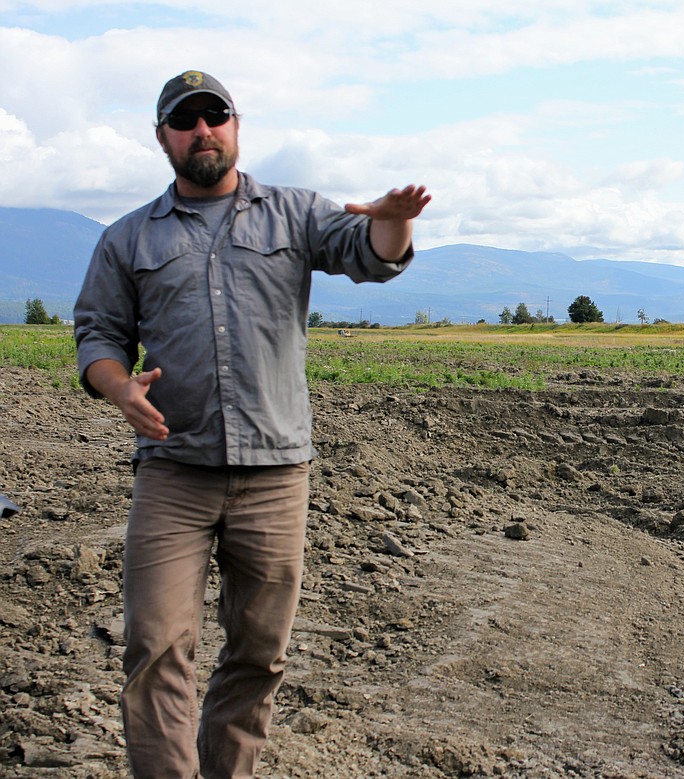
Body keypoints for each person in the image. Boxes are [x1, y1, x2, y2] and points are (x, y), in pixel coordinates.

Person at [73, 70, 430, 778]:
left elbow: (372, 255)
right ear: (162, 137)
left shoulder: (294, 213)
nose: (202, 129)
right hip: (173, 470)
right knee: (155, 645)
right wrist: (118, 388)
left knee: (258, 653)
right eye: (185, 120)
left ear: (236, 125)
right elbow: (97, 335)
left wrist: (394, 218)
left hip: (274, 474)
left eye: (215, 115)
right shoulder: (127, 238)